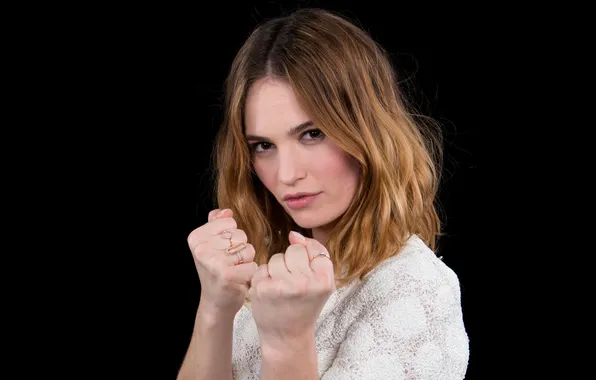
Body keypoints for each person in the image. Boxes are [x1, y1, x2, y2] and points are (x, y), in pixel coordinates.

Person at [177, 7, 469, 380]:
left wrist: (289, 342)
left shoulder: (418, 291)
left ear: (366, 131)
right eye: (263, 145)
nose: (286, 174)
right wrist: (215, 309)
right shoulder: (271, 262)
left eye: (312, 134)